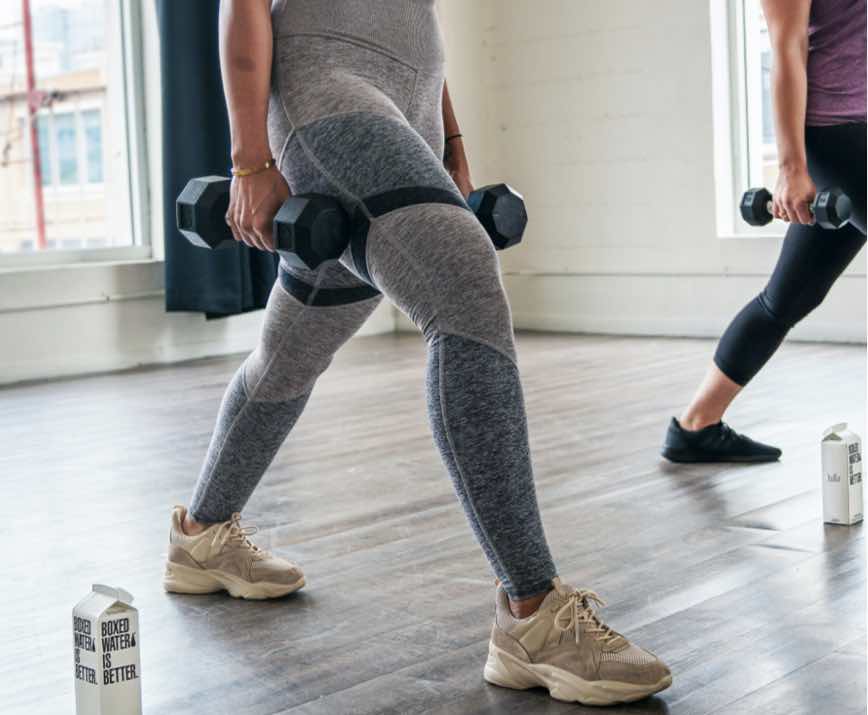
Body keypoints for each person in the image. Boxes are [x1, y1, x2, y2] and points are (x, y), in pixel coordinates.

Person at [161, 0, 671, 706]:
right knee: (462, 282)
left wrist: (450, 135)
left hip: (410, 105)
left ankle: (202, 534)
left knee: (294, 344)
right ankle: (532, 612)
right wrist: (250, 159)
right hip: (327, 91)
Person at [663, 0, 866, 463]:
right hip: (837, 133)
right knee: (788, 297)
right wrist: (792, 168)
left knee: (790, 296)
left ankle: (697, 426)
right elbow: (787, 46)